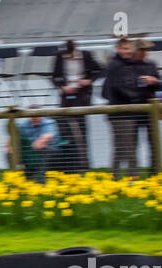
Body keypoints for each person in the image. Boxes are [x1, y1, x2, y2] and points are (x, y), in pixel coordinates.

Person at [51, 39, 101, 172]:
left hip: (82, 97)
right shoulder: (60, 57)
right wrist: (62, 87)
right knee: (66, 130)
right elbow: (54, 76)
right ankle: (70, 165)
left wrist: (88, 81)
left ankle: (84, 165)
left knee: (82, 130)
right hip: (66, 98)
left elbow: (99, 70)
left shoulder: (86, 55)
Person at [103, 38, 145, 175]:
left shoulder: (127, 65)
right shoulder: (115, 66)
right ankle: (133, 177)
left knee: (121, 147)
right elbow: (118, 86)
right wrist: (135, 97)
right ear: (118, 49)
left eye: (129, 48)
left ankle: (115, 177)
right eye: (125, 48)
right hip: (121, 112)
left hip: (126, 111)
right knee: (128, 147)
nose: (128, 51)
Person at [6, 108, 60, 182]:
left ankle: (40, 179)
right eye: (32, 116)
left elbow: (46, 138)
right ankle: (14, 178)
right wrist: (9, 146)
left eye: (37, 115)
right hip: (30, 150)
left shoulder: (48, 122)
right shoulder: (24, 124)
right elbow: (13, 135)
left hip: (48, 149)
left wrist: (34, 146)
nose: (35, 118)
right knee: (9, 153)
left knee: (41, 151)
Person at [132, 40, 161, 168]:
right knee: (133, 144)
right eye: (142, 50)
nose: (145, 53)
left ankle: (154, 171)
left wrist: (154, 81)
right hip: (134, 109)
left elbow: (160, 84)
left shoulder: (152, 65)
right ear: (136, 50)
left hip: (150, 109)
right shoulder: (129, 65)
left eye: (146, 50)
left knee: (153, 142)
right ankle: (135, 174)